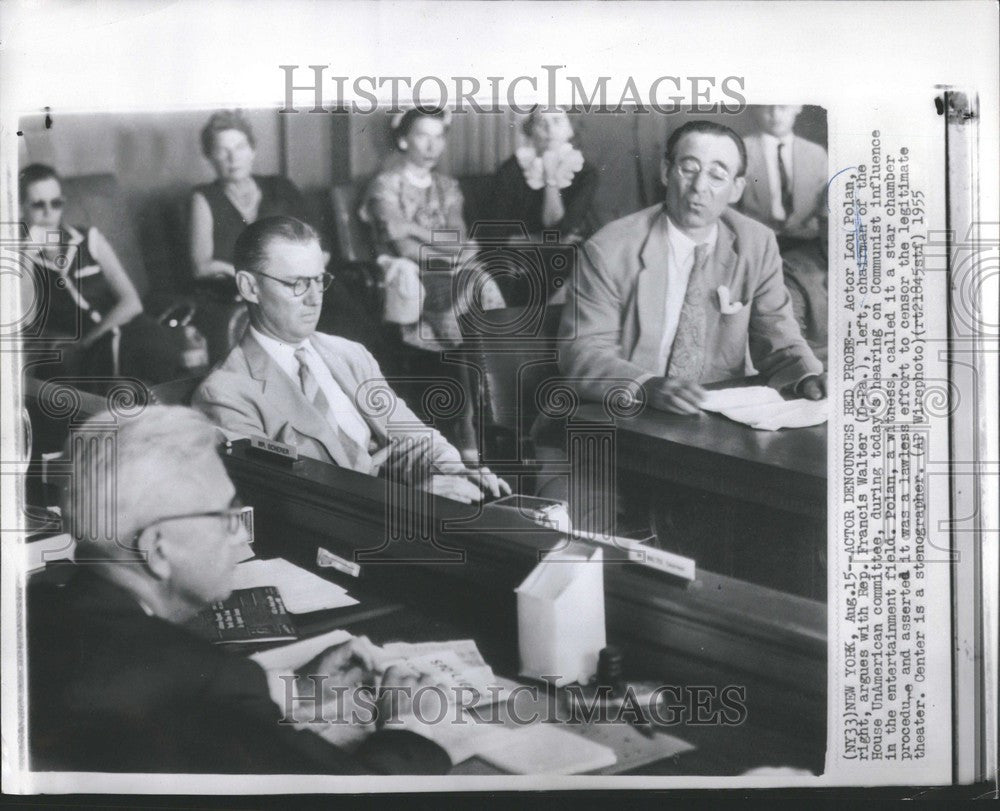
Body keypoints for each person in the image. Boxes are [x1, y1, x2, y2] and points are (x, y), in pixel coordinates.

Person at [27, 405, 452, 773]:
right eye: (225, 515)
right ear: (157, 549)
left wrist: (291, 690)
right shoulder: (207, 684)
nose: (239, 536)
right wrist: (405, 724)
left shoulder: (32, 611)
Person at [193, 216, 509, 504]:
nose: (315, 298)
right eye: (297, 283)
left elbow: (411, 435)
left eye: (318, 280)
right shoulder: (226, 395)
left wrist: (456, 472)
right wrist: (409, 503)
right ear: (250, 287)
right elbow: (281, 505)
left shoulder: (349, 354)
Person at [558, 119, 826, 413]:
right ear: (666, 172)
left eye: (716, 175)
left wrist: (807, 376)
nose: (699, 187)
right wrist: (645, 386)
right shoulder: (609, 247)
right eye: (689, 169)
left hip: (716, 416)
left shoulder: (756, 244)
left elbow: (779, 335)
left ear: (736, 188)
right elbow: (582, 351)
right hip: (628, 412)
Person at [362, 107, 505, 460]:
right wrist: (441, 243)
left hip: (452, 266)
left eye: (438, 136)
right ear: (403, 139)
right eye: (423, 135)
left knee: (485, 288)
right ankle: (466, 425)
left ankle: (495, 417)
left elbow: (458, 237)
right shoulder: (386, 184)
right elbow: (403, 248)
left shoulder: (448, 186)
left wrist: (410, 226)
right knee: (459, 309)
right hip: (409, 272)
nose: (432, 145)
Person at [18, 163, 183, 385]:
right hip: (82, 350)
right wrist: (27, 253)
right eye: (38, 205)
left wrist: (89, 341)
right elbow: (27, 321)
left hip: (122, 329)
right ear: (21, 209)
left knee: (153, 349)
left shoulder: (90, 239)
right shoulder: (18, 258)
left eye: (56, 203)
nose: (49, 213)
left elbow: (132, 302)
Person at [189, 110, 311, 298]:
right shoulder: (204, 198)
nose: (233, 158)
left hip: (299, 284)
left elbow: (318, 244)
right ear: (209, 157)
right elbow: (201, 267)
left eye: (240, 147)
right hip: (245, 292)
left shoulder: (280, 187)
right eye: (222, 150)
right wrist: (255, 278)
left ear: (252, 151)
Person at [493, 106, 598, 304]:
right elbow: (497, 235)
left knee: (575, 267)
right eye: (542, 123)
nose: (550, 130)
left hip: (566, 258)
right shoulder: (513, 170)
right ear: (531, 130)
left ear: (569, 129)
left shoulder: (585, 172)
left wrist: (550, 177)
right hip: (522, 258)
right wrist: (546, 241)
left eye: (557, 121)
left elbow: (561, 228)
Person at [738, 105, 829, 245]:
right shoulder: (740, 150)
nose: (775, 114)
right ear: (756, 108)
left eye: (783, 106)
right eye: (767, 106)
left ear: (798, 107)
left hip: (807, 242)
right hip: (754, 241)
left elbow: (825, 204)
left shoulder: (817, 154)